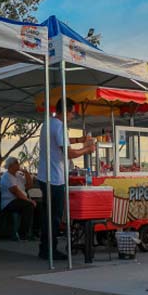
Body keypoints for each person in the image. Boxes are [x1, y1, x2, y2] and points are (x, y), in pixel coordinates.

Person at [37, 97, 95, 260]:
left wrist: (79, 140)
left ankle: (44, 248)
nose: (73, 117)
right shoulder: (60, 126)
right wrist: (87, 149)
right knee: (54, 217)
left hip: (44, 175)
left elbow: (61, 142)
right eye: (72, 113)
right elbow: (68, 153)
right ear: (66, 111)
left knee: (47, 215)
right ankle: (50, 250)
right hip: (55, 177)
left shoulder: (48, 123)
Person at [0, 157, 36, 241]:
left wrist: (26, 173)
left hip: (20, 200)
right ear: (11, 165)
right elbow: (16, 192)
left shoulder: (18, 175)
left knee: (40, 205)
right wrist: (29, 200)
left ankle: (35, 232)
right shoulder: (6, 177)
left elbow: (30, 185)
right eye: (17, 163)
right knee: (29, 206)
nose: (19, 164)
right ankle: (23, 234)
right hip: (9, 202)